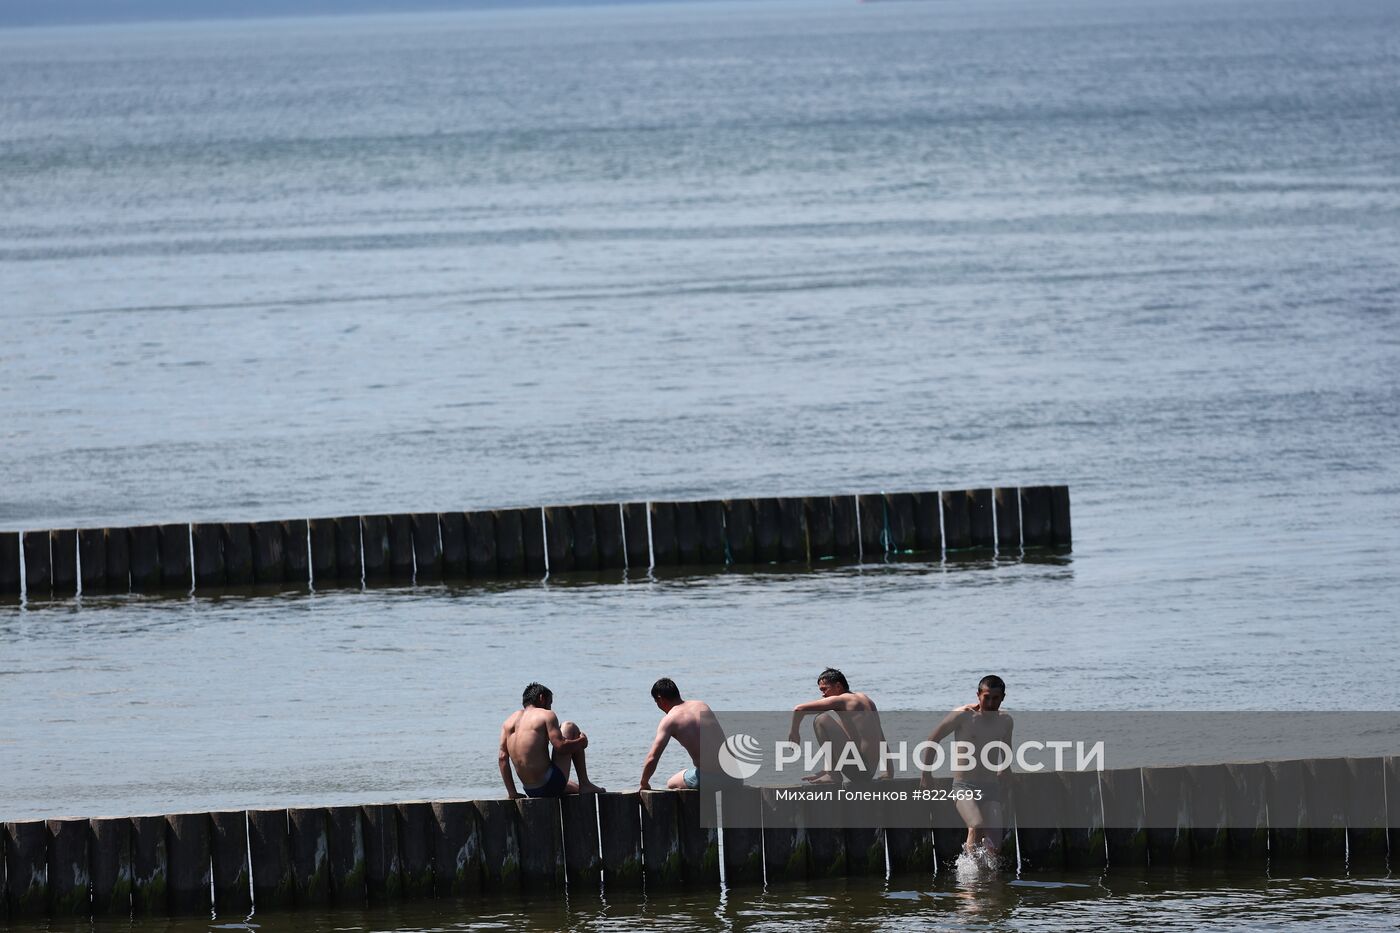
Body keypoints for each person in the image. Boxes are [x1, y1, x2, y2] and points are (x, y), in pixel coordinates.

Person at [920, 674, 1013, 859]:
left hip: (991, 787)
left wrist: (1005, 769)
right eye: (987, 697)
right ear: (978, 695)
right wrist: (926, 774)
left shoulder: (1006, 720)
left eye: (996, 698)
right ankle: (970, 877)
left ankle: (988, 882)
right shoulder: (963, 715)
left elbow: (1006, 748)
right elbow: (933, 739)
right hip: (964, 787)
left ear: (1003, 697)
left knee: (996, 843)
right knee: (976, 826)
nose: (991, 703)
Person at [498, 682, 605, 798]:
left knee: (573, 787)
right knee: (569, 727)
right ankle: (585, 783)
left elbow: (502, 758)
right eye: (550, 703)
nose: (550, 707)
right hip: (550, 785)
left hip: (531, 790)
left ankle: (581, 787)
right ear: (541, 698)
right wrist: (581, 742)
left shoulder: (508, 722)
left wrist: (512, 793)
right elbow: (561, 746)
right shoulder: (546, 715)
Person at [788, 667, 890, 784]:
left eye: (825, 689)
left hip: (859, 771)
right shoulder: (867, 700)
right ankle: (829, 770)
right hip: (868, 772)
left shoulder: (843, 700)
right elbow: (881, 738)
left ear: (838, 686)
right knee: (839, 723)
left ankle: (833, 774)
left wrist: (794, 732)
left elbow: (799, 709)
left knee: (821, 719)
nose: (823, 695)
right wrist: (889, 772)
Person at [639, 677, 736, 790]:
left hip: (712, 779)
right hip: (735, 776)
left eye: (656, 702)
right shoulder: (702, 705)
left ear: (660, 699)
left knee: (671, 782)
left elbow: (653, 757)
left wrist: (644, 783)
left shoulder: (669, 720)